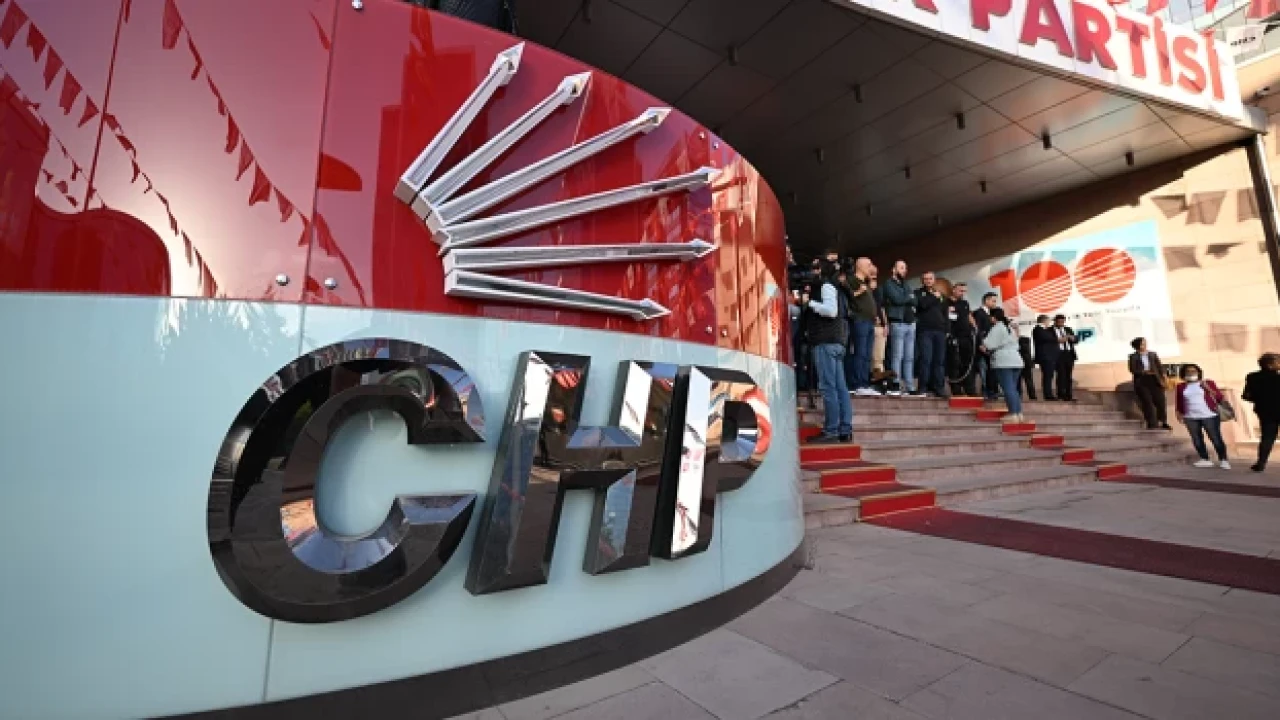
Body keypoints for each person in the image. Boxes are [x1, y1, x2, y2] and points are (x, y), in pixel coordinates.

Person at [805, 258, 853, 443]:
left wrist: (809, 303)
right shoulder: (836, 287)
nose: (812, 271)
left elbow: (830, 311)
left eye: (816, 268)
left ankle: (831, 430)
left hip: (826, 342)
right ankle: (845, 430)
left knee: (828, 387)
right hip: (837, 342)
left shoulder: (826, 286)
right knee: (840, 388)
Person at [1174, 364, 1230, 469]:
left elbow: (1219, 397)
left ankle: (1223, 460)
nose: (1191, 373)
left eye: (1193, 371)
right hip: (1190, 417)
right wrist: (1178, 413)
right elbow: (1179, 401)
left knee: (1215, 438)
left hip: (1209, 415)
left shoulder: (1208, 383)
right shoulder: (1180, 386)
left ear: (1198, 372)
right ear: (1184, 373)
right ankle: (1204, 459)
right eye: (1188, 371)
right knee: (1196, 439)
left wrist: (1208, 389)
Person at [881, 260, 918, 396]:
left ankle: (910, 386)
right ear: (894, 269)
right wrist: (908, 297)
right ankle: (895, 383)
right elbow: (897, 299)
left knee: (909, 357)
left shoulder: (906, 284)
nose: (904, 270)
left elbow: (915, 301)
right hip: (898, 322)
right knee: (897, 356)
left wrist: (907, 297)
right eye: (901, 268)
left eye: (905, 268)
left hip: (910, 323)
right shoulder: (888, 284)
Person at [982, 308, 1024, 422]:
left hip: (1004, 361)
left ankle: (1013, 413)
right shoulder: (1010, 327)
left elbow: (989, 344)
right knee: (1013, 389)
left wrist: (983, 346)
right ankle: (1018, 413)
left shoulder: (997, 327)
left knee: (1008, 388)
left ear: (993, 317)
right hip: (1016, 359)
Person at [847, 258, 880, 396]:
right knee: (860, 353)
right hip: (859, 321)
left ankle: (865, 383)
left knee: (867, 354)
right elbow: (848, 298)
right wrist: (859, 292)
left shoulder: (865, 283)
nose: (871, 268)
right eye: (869, 265)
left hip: (869, 321)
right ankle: (857, 383)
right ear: (860, 266)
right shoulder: (852, 280)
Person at [1243, 353, 1280, 471]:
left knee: (1267, 438)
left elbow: (1246, 396)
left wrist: (1260, 399)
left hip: (1265, 412)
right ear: (1270, 364)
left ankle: (1261, 463)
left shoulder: (1252, 377)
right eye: (1278, 362)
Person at [914, 271, 948, 397]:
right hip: (925, 330)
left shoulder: (941, 295)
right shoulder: (918, 293)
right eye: (926, 279)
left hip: (940, 331)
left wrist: (947, 330)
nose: (928, 281)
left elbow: (945, 313)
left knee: (939, 361)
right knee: (925, 359)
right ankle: (923, 387)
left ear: (934, 280)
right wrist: (934, 297)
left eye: (930, 278)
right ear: (922, 281)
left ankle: (939, 387)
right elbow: (922, 305)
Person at [1128, 337, 1171, 430]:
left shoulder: (1152, 354)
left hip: (1155, 379)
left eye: (1145, 343)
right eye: (1142, 344)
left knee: (1160, 401)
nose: (1144, 345)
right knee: (1147, 402)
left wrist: (1164, 376)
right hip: (1142, 381)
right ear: (1138, 345)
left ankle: (1163, 422)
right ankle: (1152, 423)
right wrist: (1143, 372)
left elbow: (1159, 366)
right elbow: (1132, 369)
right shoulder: (1133, 356)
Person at [947, 282, 978, 396]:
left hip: (966, 337)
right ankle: (956, 389)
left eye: (964, 291)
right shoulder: (947, 302)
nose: (962, 293)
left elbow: (969, 316)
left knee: (968, 363)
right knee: (955, 364)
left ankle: (970, 389)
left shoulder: (965, 303)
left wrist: (974, 325)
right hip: (954, 336)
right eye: (960, 291)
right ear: (954, 290)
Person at [972, 292, 1000, 401]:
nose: (995, 303)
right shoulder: (979, 313)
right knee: (983, 369)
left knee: (990, 370)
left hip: (990, 347)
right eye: (993, 301)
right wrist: (981, 343)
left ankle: (991, 390)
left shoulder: (990, 314)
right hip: (982, 347)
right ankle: (986, 391)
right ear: (986, 300)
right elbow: (978, 330)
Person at [1031, 315, 1061, 400]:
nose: (1049, 323)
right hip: (1045, 357)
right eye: (1048, 321)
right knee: (1047, 376)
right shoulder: (1038, 329)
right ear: (1044, 321)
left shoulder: (1046, 330)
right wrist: (1058, 339)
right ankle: (1048, 395)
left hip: (1050, 356)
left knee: (1049, 375)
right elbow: (1048, 338)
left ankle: (1049, 394)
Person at [1051, 314, 1078, 401]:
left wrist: (1073, 338)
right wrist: (1060, 339)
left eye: (1062, 322)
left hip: (1069, 354)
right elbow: (1050, 342)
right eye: (1059, 322)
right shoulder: (1050, 330)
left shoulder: (1068, 329)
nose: (1061, 323)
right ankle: (1061, 394)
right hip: (1058, 354)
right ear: (1055, 321)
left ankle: (1068, 395)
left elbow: (1076, 340)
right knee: (1061, 375)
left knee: (1068, 375)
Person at [1016, 335, 1037, 400]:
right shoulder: (1027, 348)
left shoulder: (1017, 347)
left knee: (1018, 380)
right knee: (1029, 380)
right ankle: (1032, 395)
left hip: (1019, 363)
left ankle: (1019, 395)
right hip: (1027, 363)